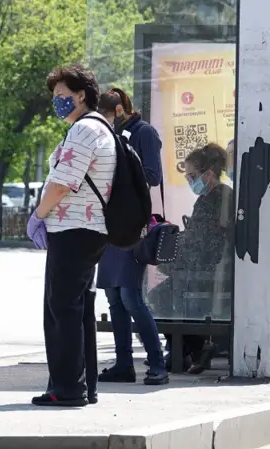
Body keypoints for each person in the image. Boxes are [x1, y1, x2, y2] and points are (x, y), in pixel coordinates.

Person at [27, 65, 116, 407]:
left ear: (81, 95)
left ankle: (66, 388)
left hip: (74, 228)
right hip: (89, 228)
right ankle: (84, 384)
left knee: (61, 307)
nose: (57, 103)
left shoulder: (83, 131)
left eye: (62, 96)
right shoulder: (101, 128)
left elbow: (63, 182)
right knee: (78, 309)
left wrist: (38, 215)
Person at [95, 88, 168, 385]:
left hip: (132, 222)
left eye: (108, 116)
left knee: (131, 296)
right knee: (113, 295)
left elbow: (153, 175)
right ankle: (123, 362)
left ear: (120, 111)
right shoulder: (105, 135)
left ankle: (157, 362)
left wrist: (125, 157)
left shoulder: (143, 133)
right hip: (111, 223)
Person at [147, 143, 234, 375]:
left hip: (207, 268)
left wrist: (168, 257)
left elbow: (202, 244)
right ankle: (185, 349)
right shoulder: (215, 196)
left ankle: (187, 350)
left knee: (158, 296)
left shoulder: (215, 199)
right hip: (206, 265)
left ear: (208, 174)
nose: (189, 182)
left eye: (192, 176)